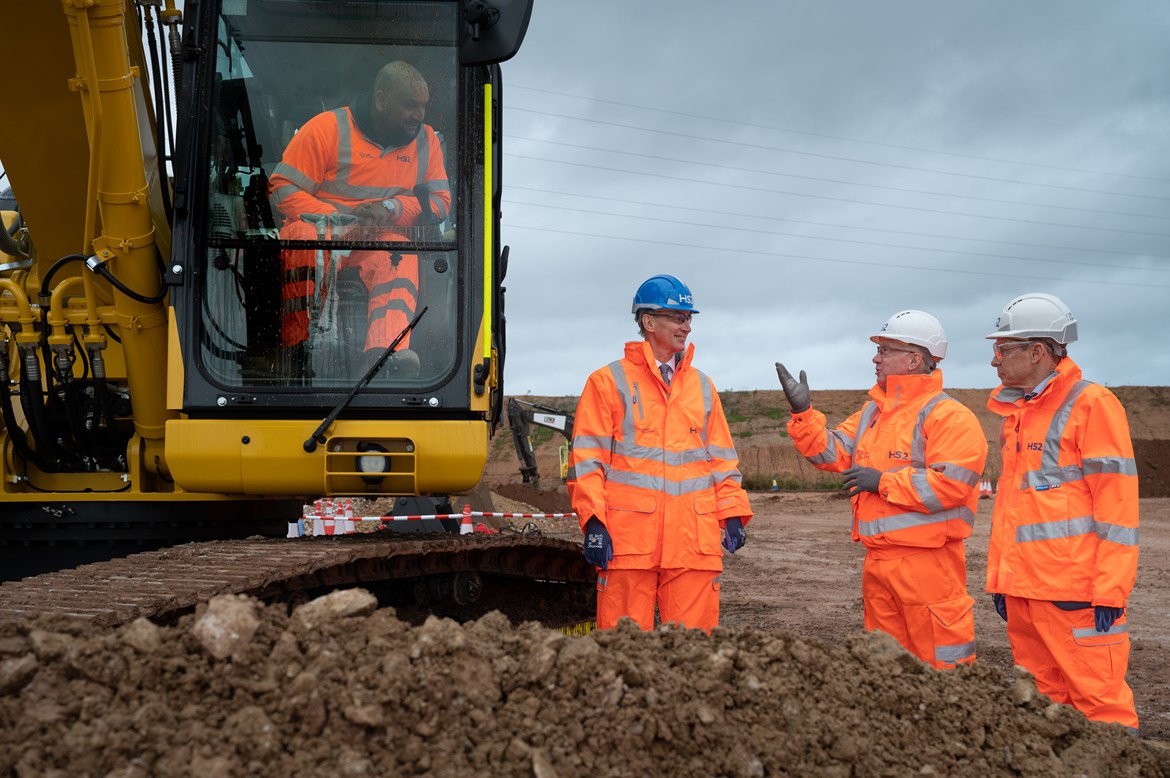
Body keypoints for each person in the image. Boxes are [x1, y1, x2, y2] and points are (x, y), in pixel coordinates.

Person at [775, 310, 987, 669]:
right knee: (886, 672)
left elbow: (951, 485)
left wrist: (883, 482)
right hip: (878, 565)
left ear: (914, 359)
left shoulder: (949, 417)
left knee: (943, 668)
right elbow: (829, 451)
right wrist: (803, 413)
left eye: (886, 350)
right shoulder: (872, 414)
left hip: (929, 566)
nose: (876, 357)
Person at [983, 292, 1139, 731]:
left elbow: (1117, 504)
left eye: (1003, 349)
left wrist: (1110, 589)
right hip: (1026, 595)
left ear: (1037, 352)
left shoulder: (1092, 404)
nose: (994, 360)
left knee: (1100, 707)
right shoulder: (1019, 412)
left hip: (1075, 595)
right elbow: (1017, 507)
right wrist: (1003, 581)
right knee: (1042, 709)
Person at [567, 274, 752, 633]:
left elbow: (723, 464)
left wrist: (732, 513)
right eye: (678, 317)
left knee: (693, 653)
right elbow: (587, 463)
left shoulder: (702, 387)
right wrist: (593, 521)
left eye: (689, 318)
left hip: (692, 545)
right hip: (628, 543)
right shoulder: (607, 383)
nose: (687, 326)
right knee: (625, 651)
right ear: (648, 323)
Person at [268, 60, 450, 375]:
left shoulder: (427, 141)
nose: (418, 116)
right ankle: (299, 349)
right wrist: (341, 221)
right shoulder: (325, 129)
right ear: (381, 100)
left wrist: (390, 209)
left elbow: (439, 202)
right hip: (322, 233)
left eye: (422, 106)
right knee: (304, 239)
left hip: (375, 238)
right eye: (410, 105)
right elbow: (282, 188)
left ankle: (385, 353)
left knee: (399, 253)